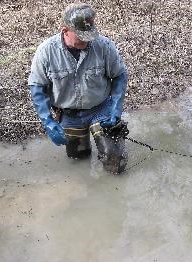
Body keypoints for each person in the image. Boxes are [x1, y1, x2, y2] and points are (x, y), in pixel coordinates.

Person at [28, 3, 128, 174]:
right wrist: (48, 122)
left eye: (89, 34)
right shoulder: (46, 52)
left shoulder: (104, 46)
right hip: (69, 114)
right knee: (78, 158)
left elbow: (119, 75)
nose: (87, 39)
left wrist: (116, 108)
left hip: (101, 109)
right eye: (81, 35)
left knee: (115, 160)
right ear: (65, 30)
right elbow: (37, 87)